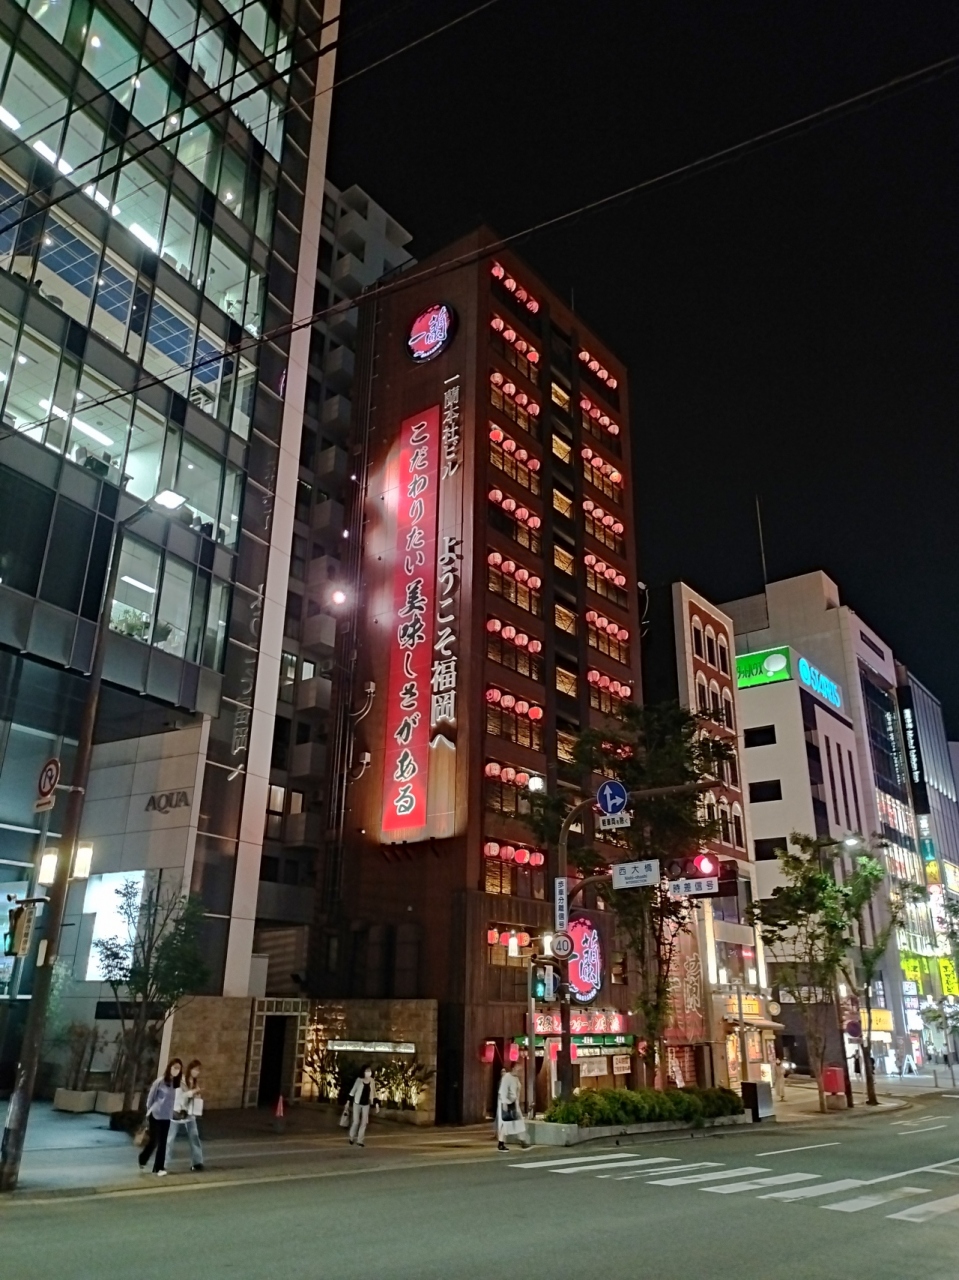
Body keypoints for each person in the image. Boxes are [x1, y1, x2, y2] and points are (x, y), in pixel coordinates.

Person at [139, 1058, 182, 1176]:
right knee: (154, 1141)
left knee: (163, 1142)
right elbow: (151, 1097)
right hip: (156, 1114)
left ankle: (158, 1168)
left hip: (167, 1116)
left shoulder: (175, 1084)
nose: (176, 1070)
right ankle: (143, 1158)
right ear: (170, 1068)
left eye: (178, 1068)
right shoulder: (160, 1082)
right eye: (175, 1067)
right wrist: (149, 1110)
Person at [168, 1058, 204, 1171]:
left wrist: (197, 1095)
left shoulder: (194, 1082)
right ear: (190, 1069)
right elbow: (180, 1096)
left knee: (194, 1137)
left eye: (199, 1070)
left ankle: (197, 1162)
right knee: (169, 1139)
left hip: (189, 1114)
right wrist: (193, 1092)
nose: (197, 1072)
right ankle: (162, 1163)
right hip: (177, 1113)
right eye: (195, 1069)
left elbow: (191, 1097)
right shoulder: (181, 1080)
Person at [496, 1062, 528, 1152]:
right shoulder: (507, 1077)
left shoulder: (516, 1078)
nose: (520, 1071)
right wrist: (505, 1103)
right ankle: (501, 1143)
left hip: (513, 1103)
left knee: (518, 1122)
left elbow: (517, 1092)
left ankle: (522, 1141)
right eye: (518, 1069)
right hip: (508, 1103)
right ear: (513, 1068)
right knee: (506, 1123)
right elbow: (503, 1091)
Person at [347, 1066, 379, 1147]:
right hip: (357, 1103)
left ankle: (360, 1140)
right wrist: (348, 1102)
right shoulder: (359, 1080)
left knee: (364, 1123)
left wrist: (376, 1104)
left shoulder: (372, 1081)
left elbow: (374, 1093)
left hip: (366, 1104)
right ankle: (351, 1137)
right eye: (367, 1071)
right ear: (363, 1072)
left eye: (370, 1071)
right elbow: (353, 1091)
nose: (369, 1072)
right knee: (356, 1121)